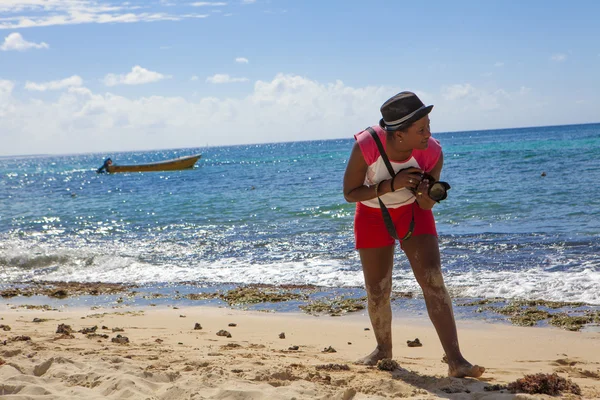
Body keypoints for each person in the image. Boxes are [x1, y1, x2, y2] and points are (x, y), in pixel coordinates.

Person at [343, 91, 485, 378]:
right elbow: (349, 193)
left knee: (433, 281)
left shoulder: (432, 151)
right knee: (378, 290)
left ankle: (456, 361)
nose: (428, 134)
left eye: (429, 125)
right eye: (421, 129)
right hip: (372, 214)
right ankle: (383, 351)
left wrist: (426, 196)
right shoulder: (367, 145)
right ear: (397, 135)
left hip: (413, 213)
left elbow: (426, 203)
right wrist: (391, 184)